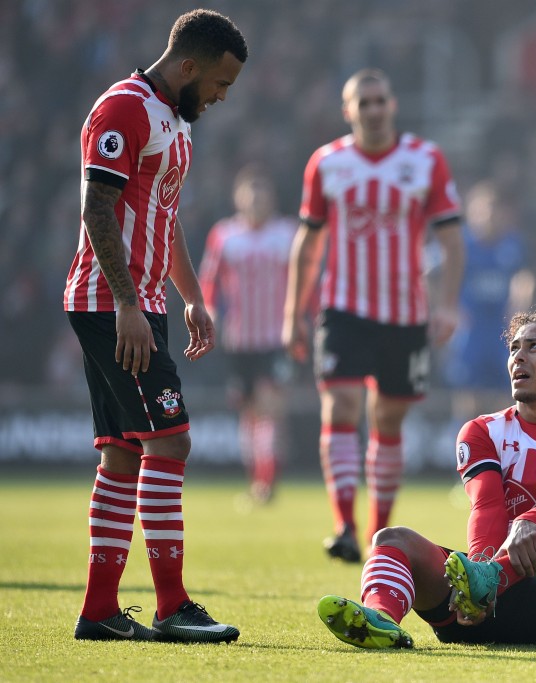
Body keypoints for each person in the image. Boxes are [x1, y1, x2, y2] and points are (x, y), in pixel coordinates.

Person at [63, 9, 247, 642]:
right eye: (220, 83)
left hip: (143, 304)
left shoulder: (174, 120)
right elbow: (97, 208)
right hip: (111, 305)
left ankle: (99, 611)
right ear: (188, 66)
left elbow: (163, 217)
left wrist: (190, 295)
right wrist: (126, 305)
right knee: (171, 443)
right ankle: (170, 606)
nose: (222, 97)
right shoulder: (124, 108)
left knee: (121, 454)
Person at [315, 308, 536, 648]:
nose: (518, 357)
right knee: (392, 539)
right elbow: (486, 506)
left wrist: (527, 524)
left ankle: (492, 580)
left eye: (534, 347)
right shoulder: (482, 430)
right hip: (479, 612)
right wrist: (478, 575)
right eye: (514, 348)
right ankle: (380, 618)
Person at [283, 68, 465, 563]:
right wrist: (293, 311)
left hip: (405, 316)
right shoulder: (327, 162)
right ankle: (344, 523)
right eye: (363, 102)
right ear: (348, 111)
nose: (373, 109)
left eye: (380, 100)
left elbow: (450, 239)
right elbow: (309, 240)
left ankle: (378, 533)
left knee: (387, 418)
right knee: (340, 406)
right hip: (342, 308)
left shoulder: (425, 160)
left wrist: (447, 305)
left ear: (394, 104)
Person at [198, 164, 297, 504]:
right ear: (237, 198)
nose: (256, 198)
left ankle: (266, 484)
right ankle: (257, 479)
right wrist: (209, 312)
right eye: (249, 191)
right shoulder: (224, 235)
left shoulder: (287, 233)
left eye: (262, 191)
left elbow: (305, 281)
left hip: (276, 338)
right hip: (239, 340)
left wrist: (305, 319)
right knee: (250, 414)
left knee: (270, 408)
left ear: (272, 198)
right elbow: (210, 282)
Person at [443, 180, 534, 421]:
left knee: (507, 392)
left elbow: (524, 279)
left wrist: (519, 313)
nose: (490, 215)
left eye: (495, 208)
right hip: (471, 329)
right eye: (485, 208)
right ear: (472, 211)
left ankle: (503, 452)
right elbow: (434, 276)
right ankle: (465, 449)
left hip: (501, 328)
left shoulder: (513, 244)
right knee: (468, 394)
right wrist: (450, 309)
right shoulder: (461, 245)